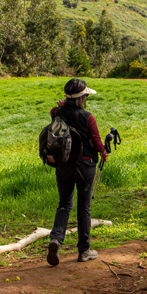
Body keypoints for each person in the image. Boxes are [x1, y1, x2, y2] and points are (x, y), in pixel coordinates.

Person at [46, 78, 108, 266]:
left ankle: (56, 239)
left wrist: (61, 107)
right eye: (85, 96)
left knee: (64, 204)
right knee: (84, 207)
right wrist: (103, 152)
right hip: (85, 166)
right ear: (81, 98)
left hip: (63, 165)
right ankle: (84, 251)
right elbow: (97, 142)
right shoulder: (88, 117)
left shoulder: (56, 112)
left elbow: (57, 123)